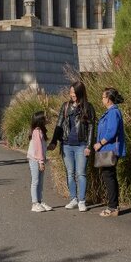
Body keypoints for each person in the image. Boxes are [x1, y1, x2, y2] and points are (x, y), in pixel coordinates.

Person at [47, 81, 96, 212]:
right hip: (66, 145)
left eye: (74, 92)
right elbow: (59, 124)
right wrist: (54, 141)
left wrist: (88, 146)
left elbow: (91, 127)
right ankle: (73, 199)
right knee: (70, 173)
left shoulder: (88, 107)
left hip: (81, 145)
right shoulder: (66, 106)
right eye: (70, 92)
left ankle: (81, 201)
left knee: (81, 173)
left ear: (80, 92)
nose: (71, 94)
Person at [93, 87, 126, 217]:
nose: (102, 99)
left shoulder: (113, 112)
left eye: (103, 97)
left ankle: (112, 207)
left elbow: (111, 132)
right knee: (109, 176)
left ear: (108, 99)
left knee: (109, 177)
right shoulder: (110, 112)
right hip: (107, 150)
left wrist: (100, 143)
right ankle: (113, 206)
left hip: (110, 149)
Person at [27, 111, 53, 212]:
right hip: (35, 159)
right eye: (45, 118)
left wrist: (48, 148)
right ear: (40, 120)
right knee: (36, 181)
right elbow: (37, 148)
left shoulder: (40, 131)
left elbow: (41, 147)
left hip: (39, 158)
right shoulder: (36, 131)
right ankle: (35, 203)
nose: (47, 119)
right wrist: (41, 162)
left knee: (40, 181)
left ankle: (39, 200)